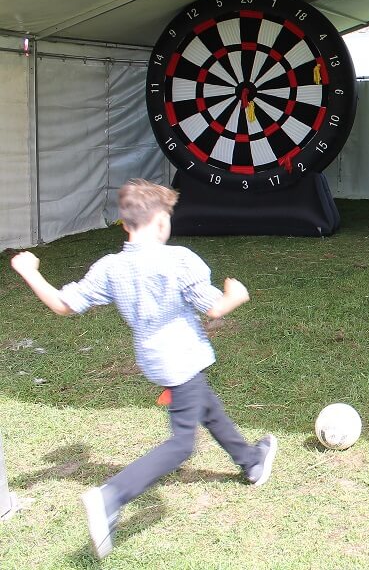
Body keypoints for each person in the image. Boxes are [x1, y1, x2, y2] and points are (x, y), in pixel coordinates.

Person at [9, 179, 277, 559]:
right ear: (160, 222)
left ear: (127, 223)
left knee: (206, 406)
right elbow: (214, 308)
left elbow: (63, 305)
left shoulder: (110, 267)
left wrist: (29, 271)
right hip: (182, 359)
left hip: (154, 360)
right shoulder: (179, 260)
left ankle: (250, 461)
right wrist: (236, 295)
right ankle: (111, 496)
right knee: (181, 445)